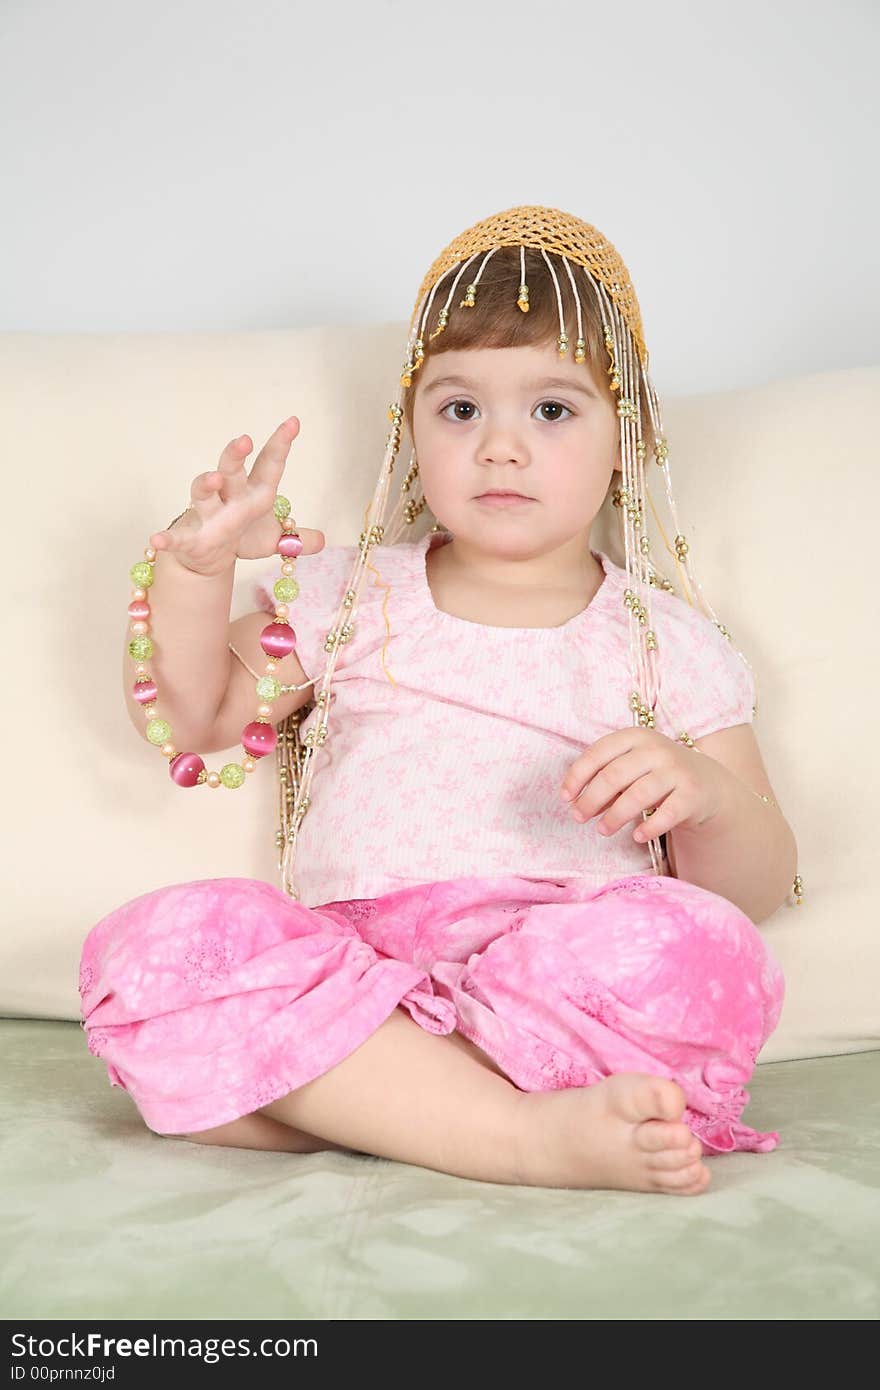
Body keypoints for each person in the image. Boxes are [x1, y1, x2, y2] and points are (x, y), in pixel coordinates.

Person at [80, 206, 799, 1196]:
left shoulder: (665, 639)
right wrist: (194, 574)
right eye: (461, 410)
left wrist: (706, 796)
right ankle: (510, 1132)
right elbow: (197, 718)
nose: (500, 447)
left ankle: (369, 1104)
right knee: (155, 946)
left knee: (701, 948)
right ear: (413, 432)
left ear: (623, 436)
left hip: (554, 983)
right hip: (354, 974)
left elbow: (753, 888)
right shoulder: (347, 593)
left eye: (552, 410)